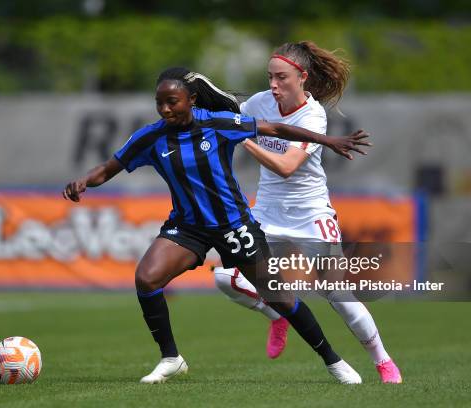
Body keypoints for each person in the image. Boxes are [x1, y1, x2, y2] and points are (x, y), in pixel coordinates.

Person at [63, 67, 371, 385]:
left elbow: (276, 128)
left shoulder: (217, 123)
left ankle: (334, 361)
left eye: (173, 101)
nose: (166, 109)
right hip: (188, 227)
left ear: (191, 100)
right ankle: (171, 358)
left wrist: (328, 140)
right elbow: (109, 167)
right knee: (146, 278)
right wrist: (84, 181)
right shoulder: (151, 137)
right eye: (160, 103)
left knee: (280, 297)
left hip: (233, 225)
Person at [212, 41, 402, 384]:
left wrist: (244, 139)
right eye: (269, 76)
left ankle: (383, 361)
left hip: (310, 214)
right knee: (226, 277)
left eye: (281, 77)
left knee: (338, 295)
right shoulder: (259, 103)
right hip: (267, 214)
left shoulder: (313, 115)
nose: (273, 84)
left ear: (302, 77)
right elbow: (226, 115)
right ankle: (277, 313)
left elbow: (287, 166)